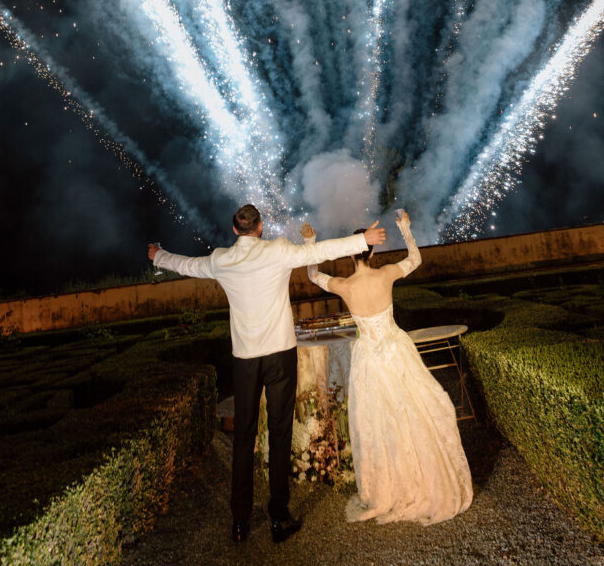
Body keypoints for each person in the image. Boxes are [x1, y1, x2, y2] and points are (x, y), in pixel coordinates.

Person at [147, 205, 386, 544]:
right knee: (280, 432)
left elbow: (187, 265)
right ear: (260, 226)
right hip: (279, 356)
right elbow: (319, 251)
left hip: (245, 360)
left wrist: (158, 256)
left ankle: (240, 522)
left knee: (243, 439)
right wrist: (363, 240)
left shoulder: (221, 259)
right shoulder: (278, 250)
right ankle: (278, 516)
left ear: (235, 230)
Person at [304, 209, 473, 526]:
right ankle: (424, 478)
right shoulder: (385, 274)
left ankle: (390, 484)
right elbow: (415, 259)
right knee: (415, 410)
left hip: (369, 359)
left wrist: (310, 243)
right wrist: (405, 228)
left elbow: (313, 275)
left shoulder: (343, 285)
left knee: (378, 421)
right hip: (397, 351)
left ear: (349, 253)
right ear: (371, 252)